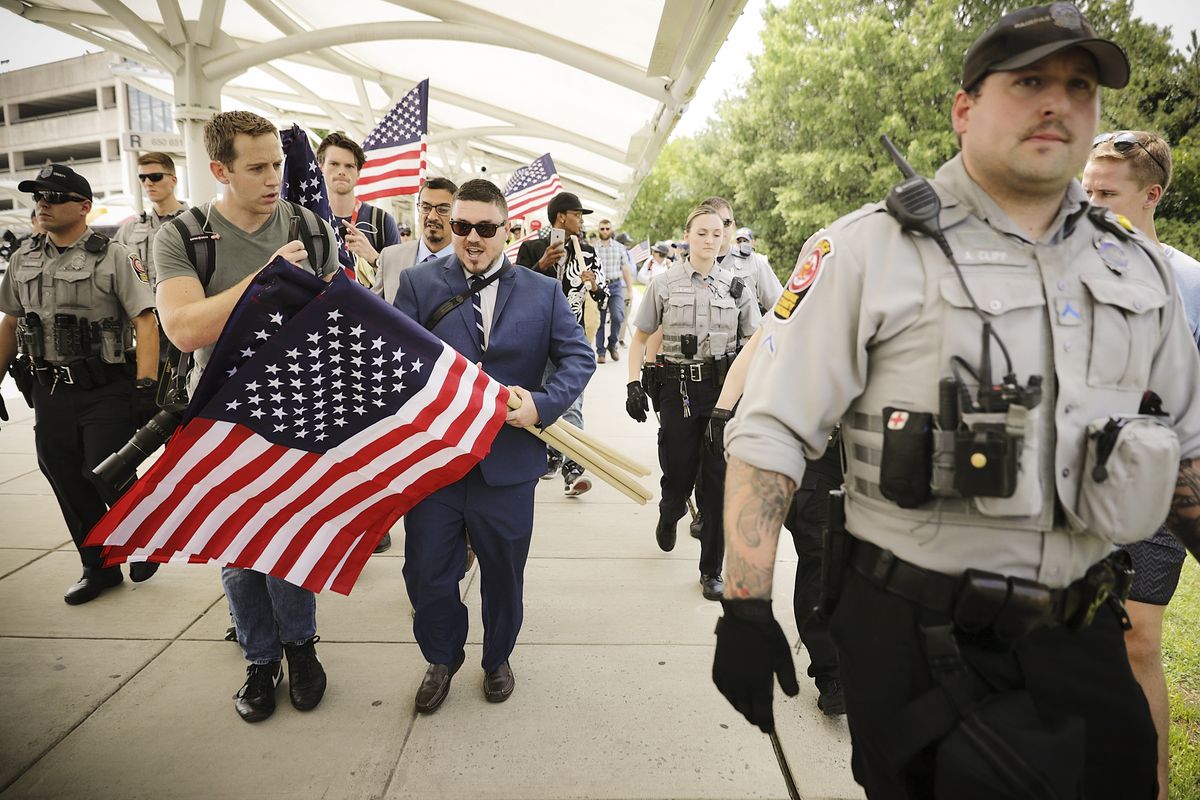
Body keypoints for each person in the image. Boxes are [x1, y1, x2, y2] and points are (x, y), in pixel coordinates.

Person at [715, 6, 1200, 798]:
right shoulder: (865, 250)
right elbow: (771, 435)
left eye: (1080, 86)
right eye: (1031, 80)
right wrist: (745, 607)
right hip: (918, 643)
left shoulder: (1136, 270)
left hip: (1082, 637)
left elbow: (1187, 445)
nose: (1058, 102)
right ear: (964, 108)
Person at [154, 110, 339, 724]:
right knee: (239, 550)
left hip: (298, 408)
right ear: (219, 170)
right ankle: (260, 660)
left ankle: (301, 647)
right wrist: (265, 279)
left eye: (278, 165)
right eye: (256, 168)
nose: (272, 179)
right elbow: (183, 330)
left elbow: (338, 319)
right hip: (222, 415)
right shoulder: (185, 236)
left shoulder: (311, 227)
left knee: (291, 539)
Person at [393, 178, 594, 712]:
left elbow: (579, 359)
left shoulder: (543, 291)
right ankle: (442, 655)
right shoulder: (417, 284)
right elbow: (394, 364)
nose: (472, 238)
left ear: (507, 230)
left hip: (508, 466)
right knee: (427, 575)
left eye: (485, 228)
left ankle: (497, 657)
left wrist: (541, 406)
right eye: (462, 226)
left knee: (504, 576)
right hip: (436, 464)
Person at [1082, 129, 1200, 800]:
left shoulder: (1189, 282)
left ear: (1150, 195)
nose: (1088, 203)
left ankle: (1150, 788)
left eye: (1105, 193)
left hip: (1155, 491)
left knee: (1138, 642)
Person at [0, 164, 160, 604]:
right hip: (49, 390)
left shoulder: (115, 255)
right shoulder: (23, 258)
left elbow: (145, 323)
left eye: (54, 196)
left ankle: (146, 536)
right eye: (38, 197)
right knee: (66, 478)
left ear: (84, 206)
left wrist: (146, 387)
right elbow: (10, 324)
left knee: (105, 471)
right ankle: (100, 567)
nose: (43, 204)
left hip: (107, 386)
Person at [706, 325, 846, 715]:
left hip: (881, 450)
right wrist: (722, 408)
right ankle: (832, 672)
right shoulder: (814, 286)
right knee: (821, 552)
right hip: (817, 446)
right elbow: (759, 346)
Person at [625, 203, 759, 601]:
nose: (709, 240)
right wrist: (634, 382)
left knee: (718, 484)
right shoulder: (664, 284)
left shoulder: (738, 287)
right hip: (677, 390)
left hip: (722, 393)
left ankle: (711, 570)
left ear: (724, 239)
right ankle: (671, 511)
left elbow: (755, 341)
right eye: (701, 232)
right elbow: (640, 335)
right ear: (688, 235)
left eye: (717, 234)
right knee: (679, 472)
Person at [515, 191, 607, 495]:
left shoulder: (588, 252)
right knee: (544, 399)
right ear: (561, 217)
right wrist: (542, 264)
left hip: (573, 339)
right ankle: (553, 454)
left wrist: (594, 286)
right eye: (577, 215)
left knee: (573, 402)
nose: (581, 221)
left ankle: (573, 468)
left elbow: (602, 298)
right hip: (537, 339)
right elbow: (514, 290)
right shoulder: (531, 248)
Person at [317, 131, 400, 281]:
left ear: (358, 173)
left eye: (349, 166)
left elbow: (399, 279)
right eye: (334, 164)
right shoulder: (310, 217)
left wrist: (374, 258)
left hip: (367, 303)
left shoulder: (381, 221)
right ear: (320, 167)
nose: (341, 171)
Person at [374, 179, 458, 302]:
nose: (432, 216)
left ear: (457, 214)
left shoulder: (469, 263)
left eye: (443, 209)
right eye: (426, 207)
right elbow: (372, 310)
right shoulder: (389, 257)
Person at [115, 152, 188, 272]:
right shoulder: (130, 229)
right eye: (142, 178)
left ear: (173, 180)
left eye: (155, 177)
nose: (148, 183)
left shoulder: (195, 223)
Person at [593, 219, 634, 363]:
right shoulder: (593, 248)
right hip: (599, 287)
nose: (604, 231)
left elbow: (625, 268)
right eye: (602, 228)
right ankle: (601, 352)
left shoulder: (619, 247)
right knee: (600, 321)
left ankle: (612, 344)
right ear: (599, 230)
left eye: (607, 228)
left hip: (616, 286)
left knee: (618, 316)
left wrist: (630, 290)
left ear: (611, 230)